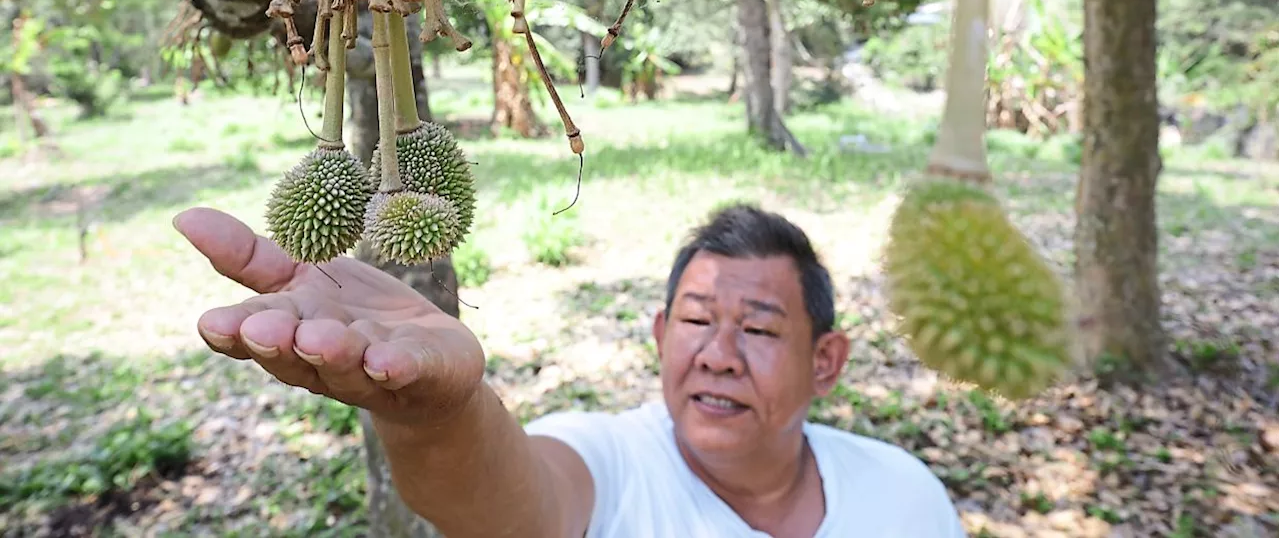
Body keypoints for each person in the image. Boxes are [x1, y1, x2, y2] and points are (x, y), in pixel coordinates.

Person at [178, 202, 965, 537]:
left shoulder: (905, 493)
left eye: (758, 329)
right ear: (659, 335)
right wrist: (435, 414)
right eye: (694, 322)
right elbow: (508, 504)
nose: (716, 356)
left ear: (826, 361)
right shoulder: (609, 464)